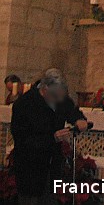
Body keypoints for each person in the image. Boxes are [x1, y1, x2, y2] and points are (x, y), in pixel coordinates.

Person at [11, 68, 88, 205]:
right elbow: (22, 139)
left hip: (51, 165)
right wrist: (52, 138)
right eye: (55, 97)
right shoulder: (24, 104)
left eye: (61, 96)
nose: (59, 100)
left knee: (50, 200)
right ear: (45, 89)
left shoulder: (60, 98)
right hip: (30, 167)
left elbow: (71, 110)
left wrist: (79, 119)